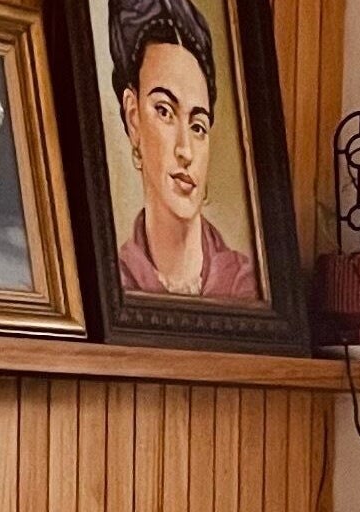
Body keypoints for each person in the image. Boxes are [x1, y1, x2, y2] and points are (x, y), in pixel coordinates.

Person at [107, 0, 260, 300]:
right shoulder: (116, 281)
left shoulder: (248, 286)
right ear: (133, 117)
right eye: (164, 111)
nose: (185, 151)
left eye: (198, 126)